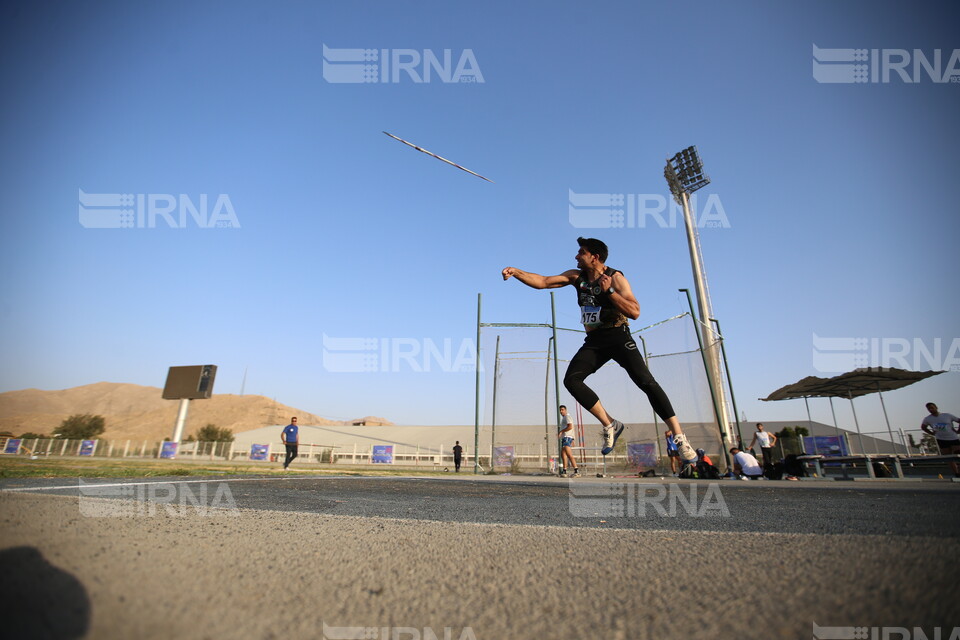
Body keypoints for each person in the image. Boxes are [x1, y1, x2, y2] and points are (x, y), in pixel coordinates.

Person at [502, 237, 697, 466]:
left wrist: (610, 292)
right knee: (572, 380)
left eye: (581, 252)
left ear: (594, 256)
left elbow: (635, 311)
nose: (576, 256)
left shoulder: (615, 277)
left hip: (618, 335)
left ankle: (679, 436)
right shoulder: (577, 277)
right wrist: (516, 272)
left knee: (646, 381)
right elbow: (544, 281)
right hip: (595, 340)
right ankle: (610, 423)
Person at [920, 402, 960, 477]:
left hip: (953, 438)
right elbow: (923, 427)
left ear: (936, 407)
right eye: (929, 409)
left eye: (932, 407)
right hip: (941, 439)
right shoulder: (928, 419)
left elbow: (959, 420)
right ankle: (956, 473)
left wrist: (958, 431)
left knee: (958, 454)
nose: (931, 409)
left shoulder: (947, 415)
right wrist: (931, 433)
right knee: (949, 457)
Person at [558, 405, 580, 477]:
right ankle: (564, 471)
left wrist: (561, 431)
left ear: (566, 410)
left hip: (567, 437)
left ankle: (576, 470)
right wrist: (573, 439)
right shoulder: (565, 417)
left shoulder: (567, 417)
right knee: (563, 454)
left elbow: (570, 426)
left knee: (569, 454)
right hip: (566, 437)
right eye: (560, 410)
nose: (561, 411)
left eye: (562, 410)